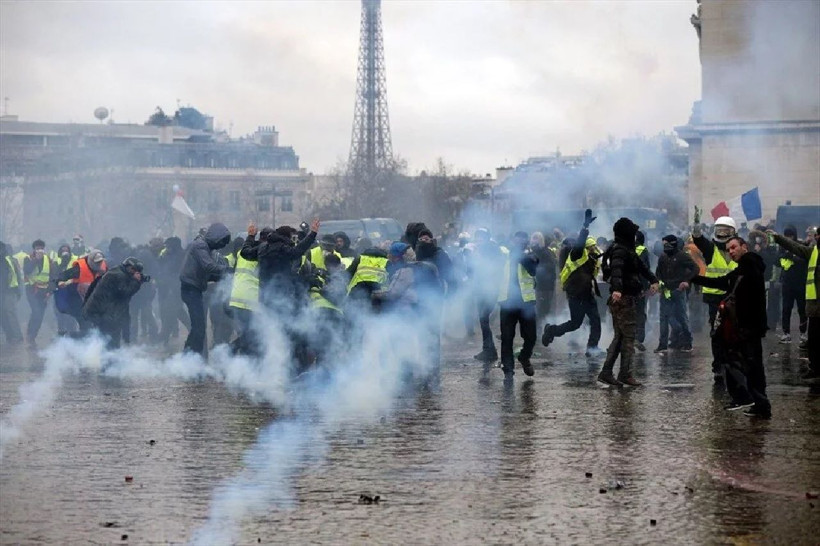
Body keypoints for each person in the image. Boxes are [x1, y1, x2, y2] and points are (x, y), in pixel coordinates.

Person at [686, 237, 771, 417]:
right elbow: (722, 282)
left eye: (734, 248)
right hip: (744, 327)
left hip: (748, 327)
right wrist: (697, 279)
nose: (731, 251)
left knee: (744, 363)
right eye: (728, 249)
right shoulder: (742, 269)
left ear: (744, 247)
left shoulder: (750, 268)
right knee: (744, 363)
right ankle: (756, 402)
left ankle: (750, 400)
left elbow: (741, 293)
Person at [597, 218, 659, 387]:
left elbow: (641, 267)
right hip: (623, 299)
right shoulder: (620, 250)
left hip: (626, 298)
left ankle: (608, 372)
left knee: (621, 337)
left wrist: (654, 280)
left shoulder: (626, 249)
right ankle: (623, 374)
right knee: (628, 338)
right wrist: (617, 289)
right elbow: (616, 270)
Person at [542, 227, 603, 357]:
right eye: (591, 247)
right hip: (576, 294)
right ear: (585, 248)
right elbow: (579, 246)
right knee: (575, 324)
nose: (594, 249)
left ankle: (592, 348)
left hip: (587, 294)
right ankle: (551, 330)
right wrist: (584, 230)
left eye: (594, 246)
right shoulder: (577, 255)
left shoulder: (593, 259)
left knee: (596, 321)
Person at [768, 227, 819, 381]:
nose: (817, 237)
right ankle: (815, 368)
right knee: (814, 340)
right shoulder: (813, 252)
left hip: (813, 303)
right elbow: (794, 247)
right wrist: (777, 238)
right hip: (815, 305)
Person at [692, 213, 738, 383]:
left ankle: (731, 361)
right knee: (717, 332)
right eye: (720, 230)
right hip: (714, 298)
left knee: (734, 331)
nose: (723, 234)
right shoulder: (711, 249)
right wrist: (696, 225)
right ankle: (718, 365)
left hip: (733, 297)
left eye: (726, 231)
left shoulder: (738, 248)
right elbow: (698, 239)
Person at [179, 223, 231, 356]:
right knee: (199, 329)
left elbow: (206, 273)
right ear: (215, 237)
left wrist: (222, 277)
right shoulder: (200, 245)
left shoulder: (205, 247)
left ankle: (188, 357)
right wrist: (228, 270)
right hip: (191, 290)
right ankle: (191, 359)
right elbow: (208, 266)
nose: (221, 246)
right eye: (220, 242)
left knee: (198, 328)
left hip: (194, 289)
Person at [498, 231, 538, 378]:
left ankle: (524, 357)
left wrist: (519, 254)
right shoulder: (504, 254)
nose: (519, 242)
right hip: (507, 302)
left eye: (523, 239)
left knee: (531, 337)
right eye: (517, 239)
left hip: (525, 303)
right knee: (507, 338)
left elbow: (532, 269)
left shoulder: (530, 255)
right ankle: (508, 370)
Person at [83, 257, 148, 349]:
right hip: (101, 312)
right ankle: (72, 338)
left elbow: (122, 301)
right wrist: (136, 282)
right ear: (128, 267)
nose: (134, 273)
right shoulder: (118, 275)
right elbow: (125, 292)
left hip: (103, 311)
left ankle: (109, 358)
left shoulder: (119, 272)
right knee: (108, 339)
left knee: (104, 337)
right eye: (133, 270)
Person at [654, 235, 699, 353]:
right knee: (664, 318)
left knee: (682, 317)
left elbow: (695, 268)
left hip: (678, 292)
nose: (664, 247)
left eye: (666, 244)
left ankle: (687, 342)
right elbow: (658, 272)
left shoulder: (682, 256)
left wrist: (686, 281)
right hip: (665, 291)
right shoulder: (663, 257)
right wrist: (658, 283)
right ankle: (662, 345)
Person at [55, 248, 107, 334]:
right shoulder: (80, 268)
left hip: (94, 301)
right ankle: (74, 340)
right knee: (85, 324)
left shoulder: (104, 267)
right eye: (96, 262)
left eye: (100, 262)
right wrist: (60, 281)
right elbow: (64, 275)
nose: (98, 264)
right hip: (77, 299)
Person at [471, 228, 504, 363]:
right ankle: (488, 349)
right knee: (482, 319)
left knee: (484, 318)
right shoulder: (479, 250)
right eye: (477, 238)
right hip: (481, 289)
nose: (479, 240)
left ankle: (490, 350)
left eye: (481, 238)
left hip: (490, 289)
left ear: (487, 238)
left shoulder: (492, 250)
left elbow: (495, 269)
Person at [773, 226, 808, 344]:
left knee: (802, 309)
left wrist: (794, 258)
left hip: (800, 282)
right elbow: (776, 261)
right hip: (787, 283)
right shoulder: (782, 247)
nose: (789, 238)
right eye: (787, 235)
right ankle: (786, 333)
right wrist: (786, 255)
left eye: (791, 235)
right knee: (786, 308)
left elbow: (805, 260)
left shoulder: (801, 245)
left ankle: (803, 333)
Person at [157, 236, 189, 345]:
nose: (167, 248)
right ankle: (193, 329)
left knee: (170, 311)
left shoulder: (180, 255)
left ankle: (164, 336)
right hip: (171, 288)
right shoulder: (171, 255)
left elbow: (176, 273)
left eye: (169, 246)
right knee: (177, 311)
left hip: (176, 289)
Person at [23, 239, 52, 349]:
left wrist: (50, 291)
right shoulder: (28, 258)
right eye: (37, 248)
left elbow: (53, 276)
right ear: (34, 249)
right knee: (36, 311)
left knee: (40, 315)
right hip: (32, 290)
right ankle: (30, 333)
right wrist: (36, 260)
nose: (39, 250)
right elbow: (27, 270)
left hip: (44, 291)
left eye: (41, 248)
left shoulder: (48, 259)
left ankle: (33, 334)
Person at [530, 231, 557, 332]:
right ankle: (538, 329)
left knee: (543, 309)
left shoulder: (545, 252)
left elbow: (550, 267)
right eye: (533, 238)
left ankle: (542, 330)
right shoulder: (533, 252)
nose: (534, 240)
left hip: (544, 286)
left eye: (536, 238)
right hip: (536, 285)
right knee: (538, 309)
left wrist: (537, 268)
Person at [0, 241, 24, 345]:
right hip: (5, 291)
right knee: (3, 314)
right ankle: (9, 335)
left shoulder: (9, 260)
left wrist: (19, 291)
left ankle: (17, 336)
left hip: (9, 291)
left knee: (10, 313)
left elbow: (18, 276)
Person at [634, 231, 651, 351]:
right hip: (638, 288)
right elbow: (645, 271)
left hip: (625, 288)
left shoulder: (622, 249)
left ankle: (627, 339)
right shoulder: (643, 251)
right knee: (640, 312)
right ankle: (638, 338)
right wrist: (645, 287)